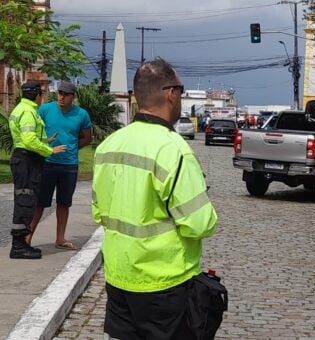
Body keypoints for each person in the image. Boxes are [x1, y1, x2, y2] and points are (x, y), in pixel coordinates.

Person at [92, 58, 219, 339]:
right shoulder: (173, 150)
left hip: (119, 279)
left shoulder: (108, 146)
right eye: (182, 91)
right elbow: (199, 223)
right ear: (170, 93)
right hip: (165, 284)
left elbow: (99, 212)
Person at [28, 81, 92, 251]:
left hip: (69, 165)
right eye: (60, 93)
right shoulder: (45, 110)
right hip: (47, 163)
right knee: (40, 202)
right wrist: (45, 148)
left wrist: (72, 146)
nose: (61, 97)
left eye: (66, 94)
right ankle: (27, 238)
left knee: (64, 203)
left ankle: (60, 239)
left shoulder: (81, 114)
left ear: (73, 97)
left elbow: (87, 138)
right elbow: (34, 132)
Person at [8, 81, 67, 259]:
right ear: (36, 95)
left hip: (24, 158)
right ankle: (18, 246)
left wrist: (45, 141)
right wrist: (49, 150)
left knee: (25, 199)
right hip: (27, 160)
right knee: (25, 201)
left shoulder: (21, 108)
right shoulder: (28, 112)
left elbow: (27, 137)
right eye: (41, 94)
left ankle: (21, 243)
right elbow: (28, 140)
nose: (42, 98)